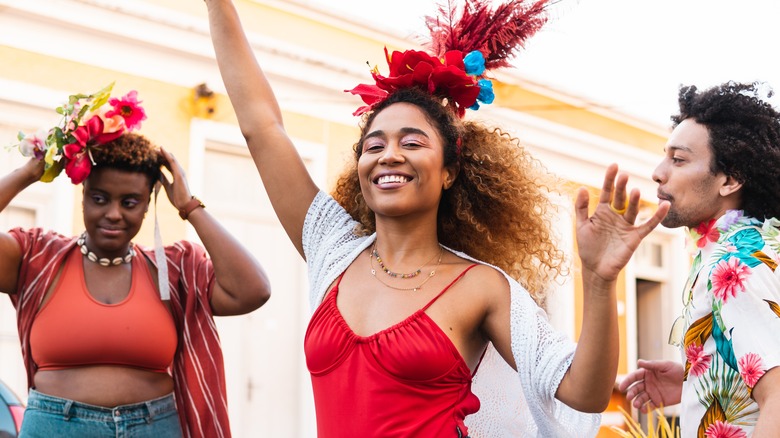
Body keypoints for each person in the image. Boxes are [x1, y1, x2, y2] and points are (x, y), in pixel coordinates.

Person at [204, 0, 668, 436]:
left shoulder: (480, 287)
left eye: (411, 143)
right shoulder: (333, 250)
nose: (389, 156)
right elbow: (261, 126)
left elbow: (583, 394)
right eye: (374, 145)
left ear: (448, 173)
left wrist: (600, 281)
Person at [0, 84, 271, 437]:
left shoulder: (174, 269)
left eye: (129, 202)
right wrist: (29, 173)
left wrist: (189, 206)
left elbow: (253, 290)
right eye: (100, 198)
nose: (113, 214)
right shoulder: (38, 257)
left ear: (147, 204)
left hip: (154, 427)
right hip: (55, 427)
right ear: (83, 196)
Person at [618, 82, 780, 437]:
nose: (658, 172)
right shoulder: (756, 246)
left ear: (730, 179)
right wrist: (702, 380)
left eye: (678, 160)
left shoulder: (733, 267)